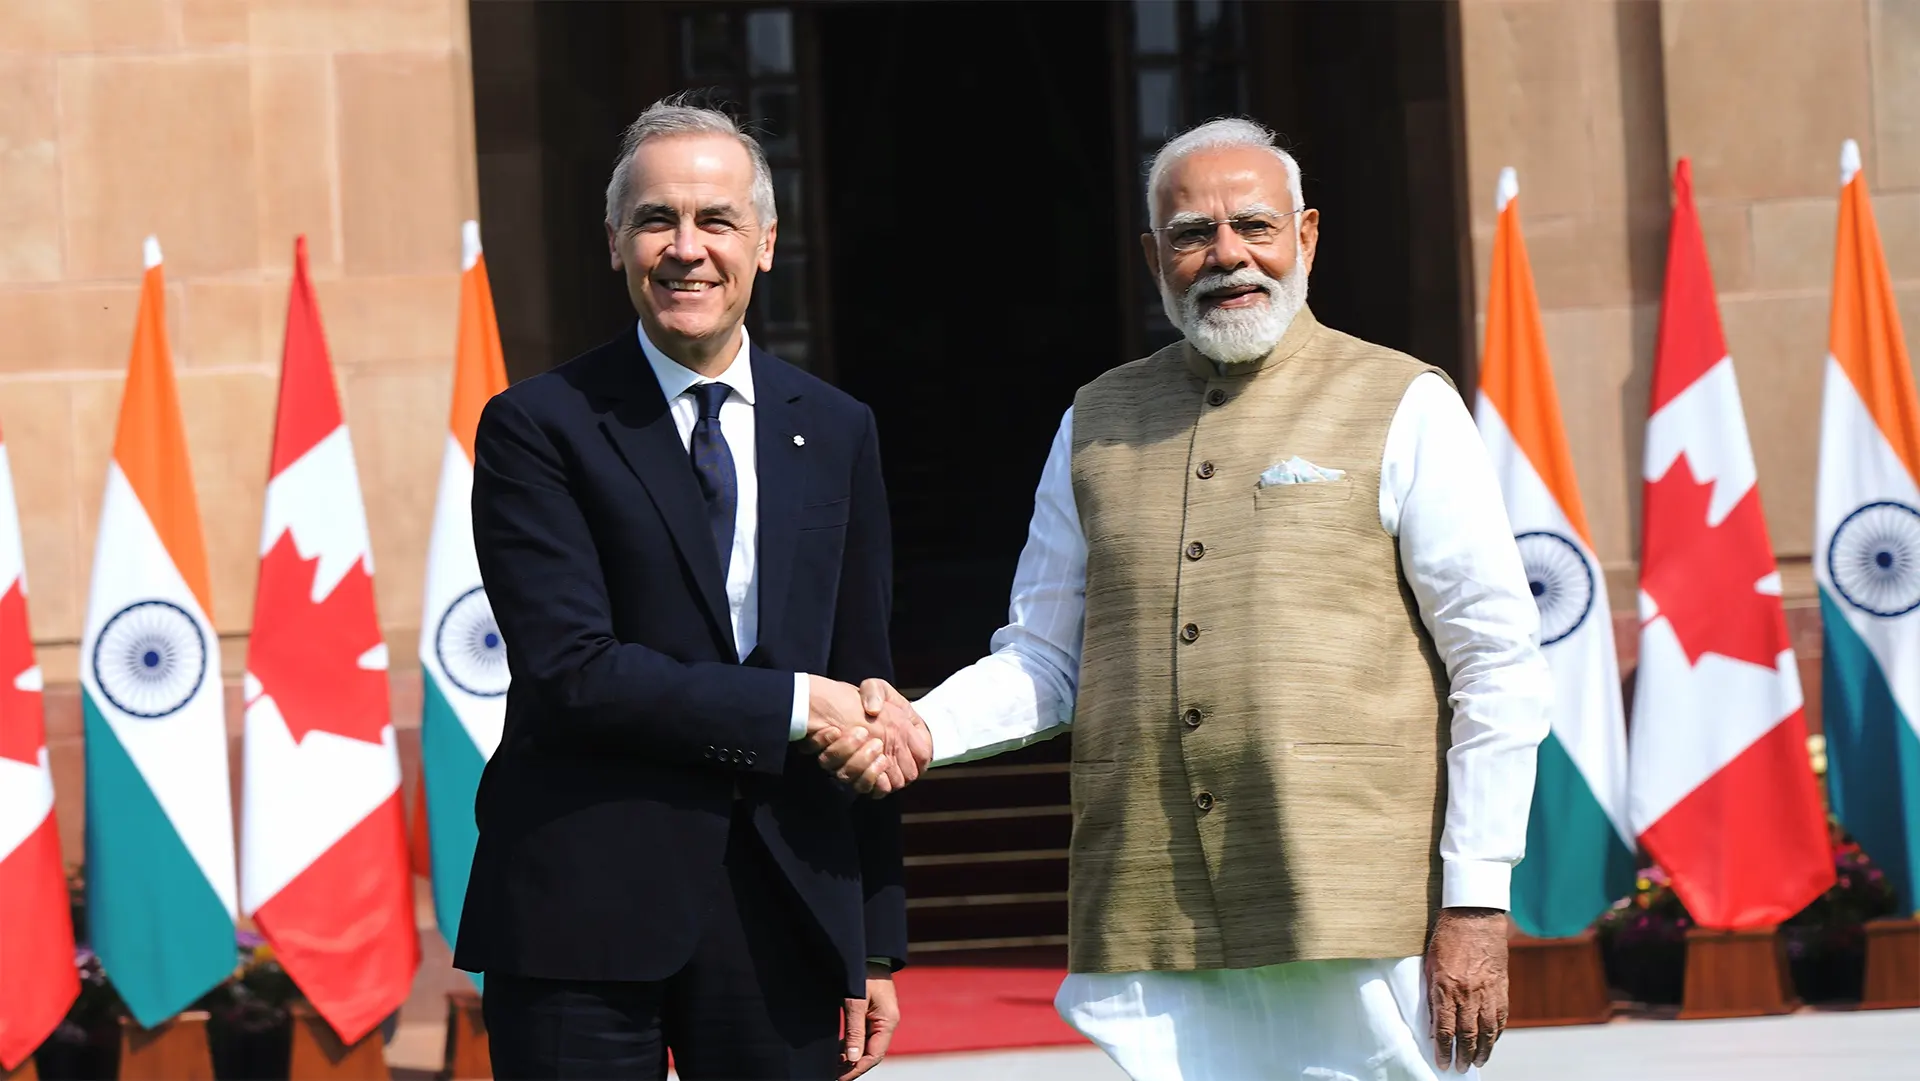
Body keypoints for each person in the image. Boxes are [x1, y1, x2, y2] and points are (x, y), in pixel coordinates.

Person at [829, 117, 1552, 1080]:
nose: (1226, 256)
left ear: (1307, 237)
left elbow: (1495, 662)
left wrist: (1476, 897)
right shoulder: (1095, 420)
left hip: (1361, 906)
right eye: (1192, 234)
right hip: (1155, 904)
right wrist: (922, 725)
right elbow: (1045, 658)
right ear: (1152, 256)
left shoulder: (1405, 401)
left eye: (1254, 225)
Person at [455, 94, 927, 1081]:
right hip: (580, 906)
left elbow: (866, 684)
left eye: (716, 220)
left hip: (786, 904)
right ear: (614, 244)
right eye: (655, 220)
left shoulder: (837, 429)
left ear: (765, 242)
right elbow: (573, 670)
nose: (685, 249)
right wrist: (798, 704)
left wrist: (875, 934)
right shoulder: (537, 426)